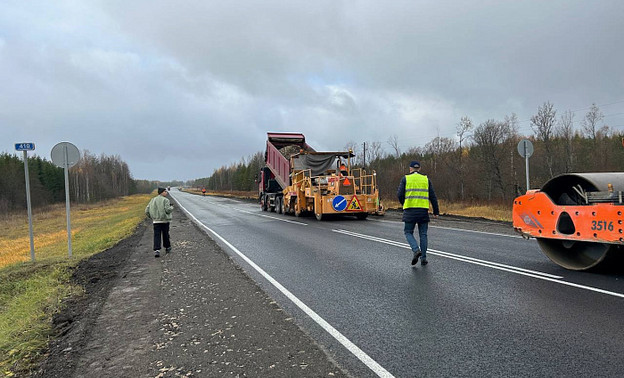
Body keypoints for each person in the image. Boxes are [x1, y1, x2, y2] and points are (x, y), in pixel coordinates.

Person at [397, 161, 439, 266]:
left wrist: (404, 203)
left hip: (410, 210)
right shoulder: (426, 179)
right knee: (423, 234)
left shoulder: (405, 179)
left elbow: (399, 194)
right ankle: (423, 259)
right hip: (423, 211)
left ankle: (416, 250)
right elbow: (433, 196)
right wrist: (436, 211)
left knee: (408, 232)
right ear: (419, 169)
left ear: (410, 168)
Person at [145, 187, 174, 258]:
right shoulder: (166, 200)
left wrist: (152, 217)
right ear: (162, 192)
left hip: (156, 221)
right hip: (164, 220)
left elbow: (146, 210)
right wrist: (172, 208)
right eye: (165, 191)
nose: (166, 193)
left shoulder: (153, 200)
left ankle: (157, 250)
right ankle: (167, 247)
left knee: (156, 235)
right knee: (165, 234)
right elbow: (167, 210)